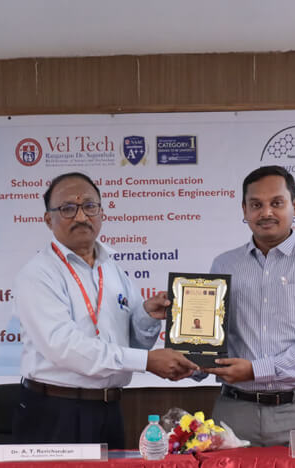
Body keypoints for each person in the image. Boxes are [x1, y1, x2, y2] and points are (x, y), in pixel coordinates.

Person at [12, 171, 197, 448]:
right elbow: (65, 347)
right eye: (68, 208)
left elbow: (134, 341)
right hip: (55, 411)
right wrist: (146, 361)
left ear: (101, 212)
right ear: (48, 219)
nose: (81, 216)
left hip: (109, 409)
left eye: (89, 206)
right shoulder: (38, 274)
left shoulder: (112, 269)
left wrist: (146, 315)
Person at [206, 165, 295, 446]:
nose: (266, 212)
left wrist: (257, 370)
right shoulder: (224, 264)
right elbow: (211, 337)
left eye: (277, 203)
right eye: (256, 204)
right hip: (234, 411)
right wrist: (192, 358)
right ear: (244, 210)